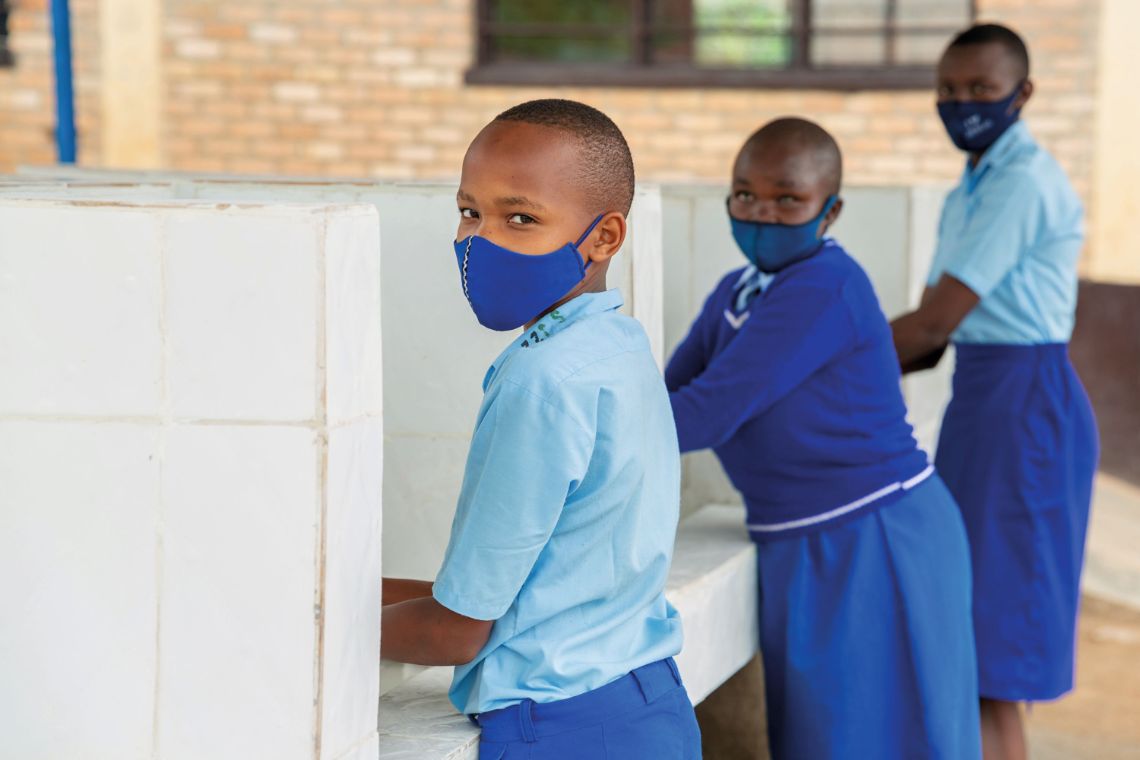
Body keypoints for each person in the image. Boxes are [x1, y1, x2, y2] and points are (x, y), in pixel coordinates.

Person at [380, 98, 701, 760]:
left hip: (562, 731)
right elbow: (534, 590)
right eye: (471, 211)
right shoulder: (617, 344)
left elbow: (459, 631)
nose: (480, 241)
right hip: (647, 706)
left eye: (520, 218)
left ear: (604, 237)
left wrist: (311, 627)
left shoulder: (542, 381)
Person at [666, 117, 980, 759]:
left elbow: (706, 412)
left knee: (888, 740)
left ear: (829, 211)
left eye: (788, 200)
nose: (762, 213)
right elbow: (667, 395)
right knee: (822, 740)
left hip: (876, 539)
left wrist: (570, 430)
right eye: (744, 195)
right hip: (798, 543)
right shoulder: (737, 291)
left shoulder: (824, 286)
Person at [891, 23, 1099, 760]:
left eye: (982, 89)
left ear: (1024, 93)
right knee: (970, 632)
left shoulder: (1019, 181)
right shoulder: (971, 185)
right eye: (949, 90)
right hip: (979, 403)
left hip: (1024, 409)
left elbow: (932, 323)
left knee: (993, 658)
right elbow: (933, 341)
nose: (963, 103)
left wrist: (813, 361)